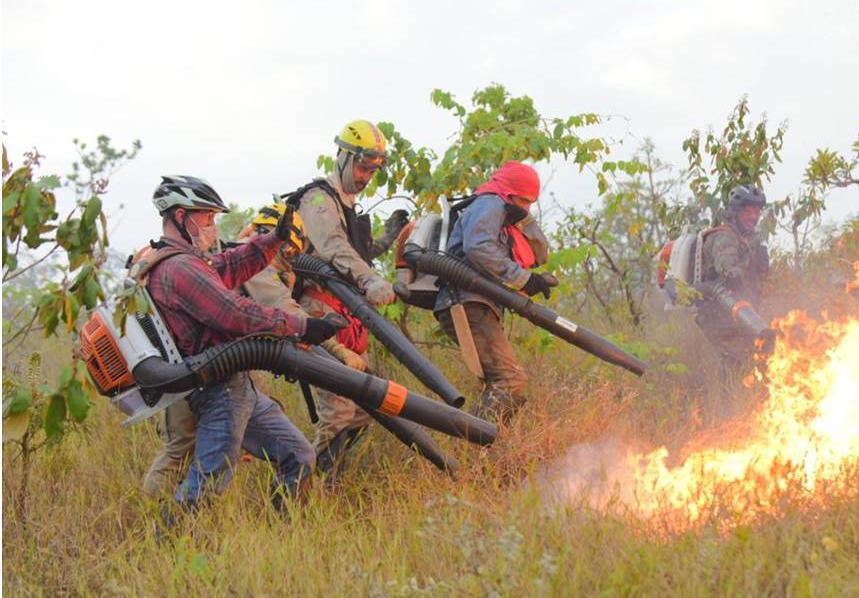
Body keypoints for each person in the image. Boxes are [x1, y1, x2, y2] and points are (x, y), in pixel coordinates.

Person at [141, 176, 342, 514]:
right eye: (206, 216)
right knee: (207, 484)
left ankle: (286, 531)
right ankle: (167, 541)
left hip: (237, 387)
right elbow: (236, 315)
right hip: (217, 391)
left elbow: (231, 265)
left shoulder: (189, 261)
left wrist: (272, 240)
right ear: (180, 216)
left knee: (299, 455)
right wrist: (303, 326)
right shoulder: (177, 269)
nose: (212, 225)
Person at [287, 120, 409, 482]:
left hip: (349, 315)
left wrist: (389, 235)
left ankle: (329, 482)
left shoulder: (346, 206)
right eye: (362, 166)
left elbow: (357, 252)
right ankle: (302, 494)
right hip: (321, 313)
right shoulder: (319, 199)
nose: (366, 175)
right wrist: (369, 279)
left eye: (373, 169)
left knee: (364, 409)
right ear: (342, 156)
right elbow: (332, 249)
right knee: (339, 411)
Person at [433, 161, 553, 421]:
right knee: (509, 380)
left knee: (503, 382)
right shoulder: (490, 203)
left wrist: (531, 279)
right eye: (525, 201)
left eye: (531, 203)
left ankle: (486, 451)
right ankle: (474, 454)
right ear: (509, 193)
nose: (527, 208)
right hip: (466, 301)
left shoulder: (502, 210)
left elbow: (539, 251)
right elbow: (479, 248)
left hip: (477, 303)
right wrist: (523, 279)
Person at [694, 185, 770, 375]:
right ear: (735, 212)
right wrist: (736, 275)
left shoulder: (749, 240)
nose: (753, 216)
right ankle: (723, 404)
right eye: (748, 210)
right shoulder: (724, 237)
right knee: (735, 367)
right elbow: (728, 272)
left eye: (757, 211)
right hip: (719, 318)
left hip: (740, 318)